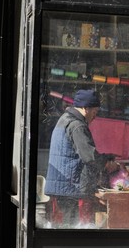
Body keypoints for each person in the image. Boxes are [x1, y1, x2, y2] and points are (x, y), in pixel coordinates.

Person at [45, 89, 120, 228]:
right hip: (69, 187)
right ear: (85, 109)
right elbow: (90, 157)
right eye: (95, 112)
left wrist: (105, 157)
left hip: (62, 185)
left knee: (65, 226)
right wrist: (108, 163)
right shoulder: (77, 125)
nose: (95, 116)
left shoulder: (64, 119)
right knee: (72, 228)